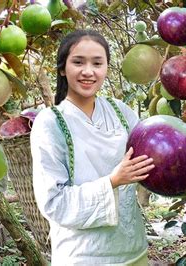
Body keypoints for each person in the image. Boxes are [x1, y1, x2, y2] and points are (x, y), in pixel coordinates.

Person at [30, 29, 155, 265]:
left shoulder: (121, 112)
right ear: (62, 68)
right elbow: (54, 203)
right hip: (82, 256)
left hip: (133, 251)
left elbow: (153, 158)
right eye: (78, 62)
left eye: (97, 63)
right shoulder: (50, 122)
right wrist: (113, 181)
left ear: (107, 67)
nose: (88, 71)